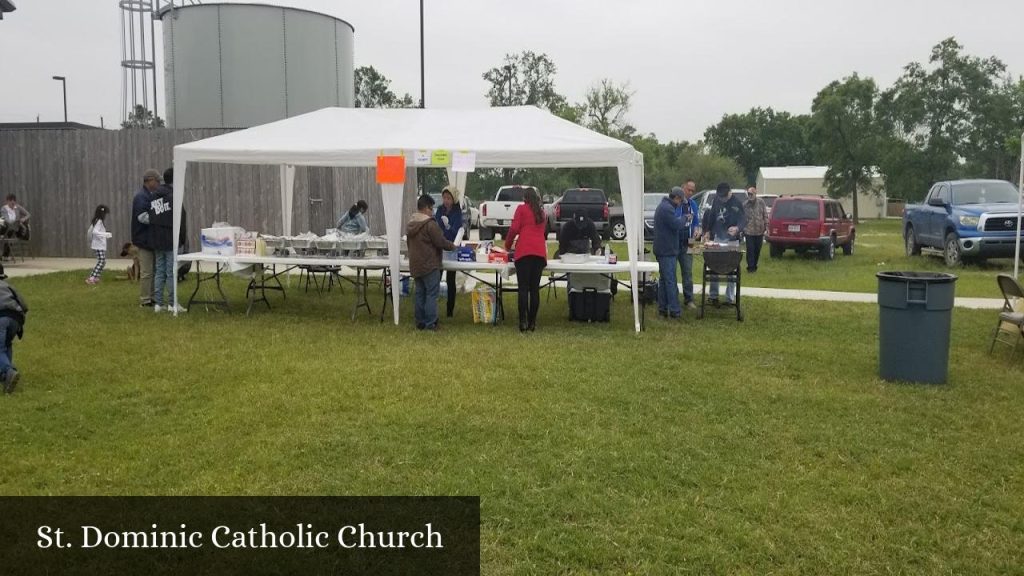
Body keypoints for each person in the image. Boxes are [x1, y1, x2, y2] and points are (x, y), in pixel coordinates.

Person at [407, 194, 455, 331]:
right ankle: (431, 324)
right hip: (429, 264)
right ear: (426, 208)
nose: (432, 211)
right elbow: (440, 242)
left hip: (416, 264)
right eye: (431, 208)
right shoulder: (430, 224)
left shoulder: (411, 223)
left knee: (420, 294)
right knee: (431, 295)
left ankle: (420, 322)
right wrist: (452, 246)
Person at [506, 187, 548, 332]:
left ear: (525, 198)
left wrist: (507, 245)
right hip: (539, 253)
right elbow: (542, 232)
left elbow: (514, 229)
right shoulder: (542, 213)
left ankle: (523, 322)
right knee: (534, 289)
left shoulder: (521, 209)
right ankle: (533, 322)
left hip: (524, 252)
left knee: (523, 288)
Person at [701, 182, 746, 305]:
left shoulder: (737, 203)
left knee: (732, 269)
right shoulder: (717, 200)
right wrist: (708, 231)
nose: (721, 199)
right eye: (720, 197)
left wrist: (737, 228)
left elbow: (743, 220)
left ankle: (729, 299)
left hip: (732, 240)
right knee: (714, 266)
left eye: (723, 197)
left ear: (729, 193)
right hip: (718, 238)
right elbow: (712, 216)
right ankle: (713, 296)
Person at [148, 168, 186, 313]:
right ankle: (172, 304)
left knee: (159, 271)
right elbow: (181, 219)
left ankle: (158, 304)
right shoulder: (174, 196)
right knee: (171, 272)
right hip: (170, 238)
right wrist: (182, 238)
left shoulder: (153, 196)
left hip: (157, 238)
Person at [653, 188, 685, 318]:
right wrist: (684, 218)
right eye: (680, 201)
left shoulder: (663, 206)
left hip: (662, 249)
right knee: (670, 280)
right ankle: (674, 310)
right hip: (667, 250)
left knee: (664, 280)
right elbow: (676, 224)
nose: (680, 203)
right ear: (676, 198)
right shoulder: (667, 209)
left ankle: (662, 308)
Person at [434, 186, 465, 318]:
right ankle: (432, 308)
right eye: (444, 198)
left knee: (450, 280)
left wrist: (448, 226)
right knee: (436, 277)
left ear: (453, 199)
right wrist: (443, 228)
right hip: (439, 247)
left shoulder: (457, 212)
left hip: (452, 248)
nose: (446, 200)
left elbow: (456, 232)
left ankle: (449, 310)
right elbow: (435, 228)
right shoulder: (440, 210)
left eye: (448, 198)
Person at [132, 169, 161, 307]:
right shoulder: (141, 197)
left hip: (151, 239)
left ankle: (152, 297)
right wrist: (160, 219)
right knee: (146, 272)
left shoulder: (150, 195)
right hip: (143, 240)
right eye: (157, 181)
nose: (159, 183)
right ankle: (145, 299)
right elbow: (142, 217)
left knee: (154, 270)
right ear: (149, 181)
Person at [675, 180, 700, 309]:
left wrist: (696, 230)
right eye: (688, 189)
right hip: (674, 242)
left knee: (688, 272)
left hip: (690, 242)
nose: (690, 193)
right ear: (682, 188)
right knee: (671, 272)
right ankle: (672, 298)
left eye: (692, 190)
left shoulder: (693, 204)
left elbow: (696, 222)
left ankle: (689, 299)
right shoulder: (675, 203)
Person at [0, 277, 27, 394]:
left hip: (1, 317)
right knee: (6, 345)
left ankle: (8, 371)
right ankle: (7, 378)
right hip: (16, 318)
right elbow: (24, 305)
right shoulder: (7, 286)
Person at [743, 186, 769, 273]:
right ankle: (750, 267)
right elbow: (742, 217)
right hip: (749, 231)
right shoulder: (745, 205)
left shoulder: (761, 202)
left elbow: (765, 214)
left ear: (755, 194)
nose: (750, 195)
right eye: (748, 194)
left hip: (759, 230)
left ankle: (755, 265)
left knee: (757, 249)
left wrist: (766, 225)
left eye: (751, 194)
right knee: (750, 249)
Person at [86, 205, 112, 285]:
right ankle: (92, 278)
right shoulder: (99, 221)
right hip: (98, 245)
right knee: (101, 261)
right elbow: (95, 232)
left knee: (103, 262)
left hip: (99, 245)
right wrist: (105, 234)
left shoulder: (96, 220)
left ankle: (95, 277)